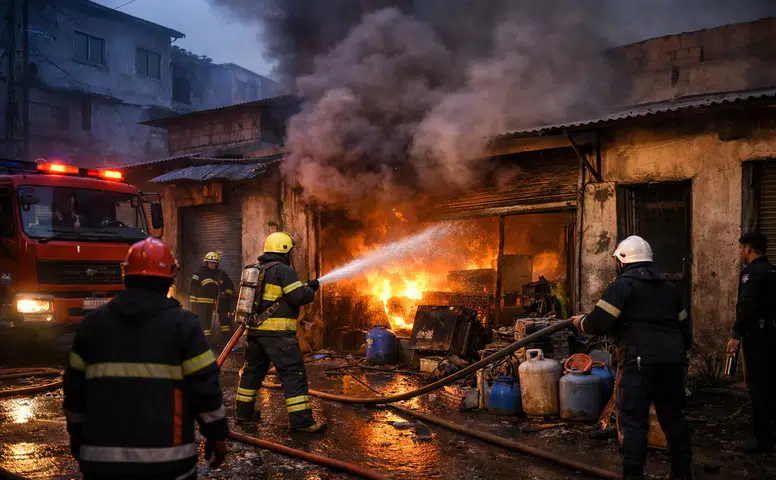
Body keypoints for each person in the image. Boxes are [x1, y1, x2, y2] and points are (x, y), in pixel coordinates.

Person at [63, 237, 228, 480]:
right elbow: (205, 388)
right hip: (169, 463)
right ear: (170, 278)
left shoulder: (92, 325)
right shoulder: (184, 325)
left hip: (101, 463)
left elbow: (74, 392)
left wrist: (78, 438)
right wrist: (216, 435)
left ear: (125, 275)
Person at [571, 235, 693, 480]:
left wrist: (580, 322)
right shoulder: (670, 289)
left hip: (638, 365)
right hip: (672, 364)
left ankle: (633, 476)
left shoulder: (622, 286)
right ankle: (682, 474)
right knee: (674, 419)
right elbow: (685, 333)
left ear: (622, 261)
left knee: (634, 423)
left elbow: (598, 323)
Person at [235, 231, 326, 433]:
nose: (292, 254)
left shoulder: (257, 269)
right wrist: (311, 289)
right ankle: (302, 422)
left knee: (251, 373)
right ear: (284, 250)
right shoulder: (282, 270)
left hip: (255, 334)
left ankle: (243, 415)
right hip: (279, 336)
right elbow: (297, 298)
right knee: (293, 374)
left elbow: (281, 295)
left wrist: (303, 288)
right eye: (291, 250)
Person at [726, 232, 776, 454]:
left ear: (748, 248)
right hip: (773, 335)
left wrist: (736, 334)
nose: (740, 253)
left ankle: (762, 442)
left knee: (758, 388)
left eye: (741, 248)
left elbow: (746, 306)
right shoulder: (773, 271)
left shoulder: (751, 274)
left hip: (758, 337)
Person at [189, 251, 234, 343]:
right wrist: (193, 299)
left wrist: (226, 294)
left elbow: (229, 285)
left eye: (214, 263)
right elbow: (193, 285)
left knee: (224, 319)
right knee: (205, 321)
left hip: (218, 301)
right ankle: (206, 341)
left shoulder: (221, 274)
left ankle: (225, 340)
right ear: (206, 262)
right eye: (210, 262)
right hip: (203, 302)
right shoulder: (200, 272)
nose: (212, 265)